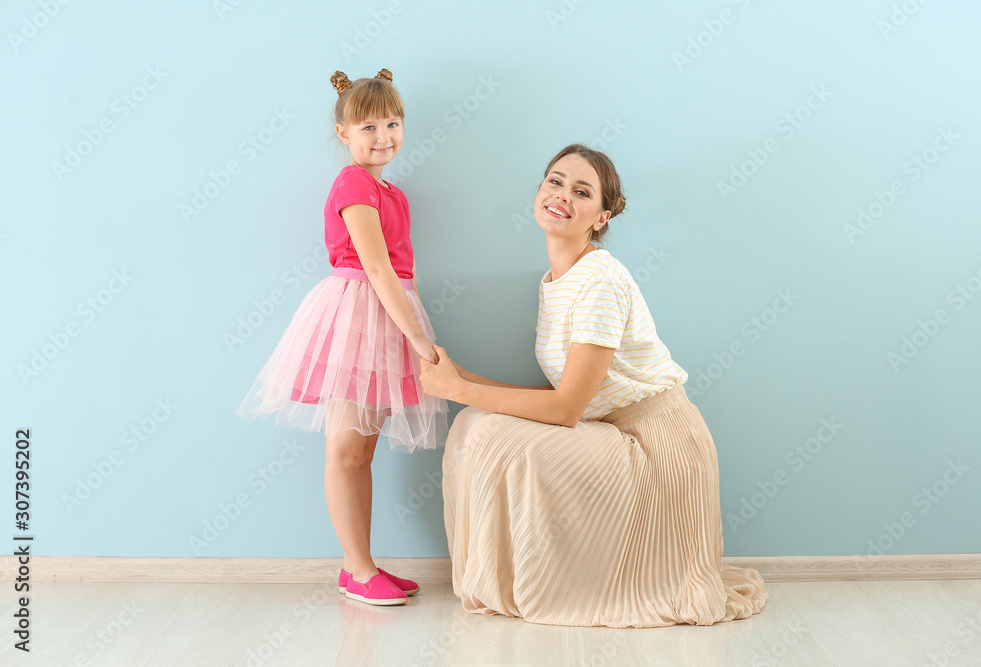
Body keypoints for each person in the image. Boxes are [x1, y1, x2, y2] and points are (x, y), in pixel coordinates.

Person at [419, 144, 768, 627]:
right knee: (473, 423)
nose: (562, 195)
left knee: (487, 431)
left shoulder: (599, 280)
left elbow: (565, 409)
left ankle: (522, 586)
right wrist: (458, 378)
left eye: (581, 192)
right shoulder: (557, 280)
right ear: (540, 190)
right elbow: (566, 399)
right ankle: (498, 581)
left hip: (659, 447)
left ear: (600, 218)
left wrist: (459, 389)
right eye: (555, 181)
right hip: (610, 430)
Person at [238, 68, 447, 606]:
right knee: (346, 452)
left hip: (388, 318)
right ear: (344, 134)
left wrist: (417, 332)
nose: (383, 137)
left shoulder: (391, 191)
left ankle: (364, 564)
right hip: (358, 314)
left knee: (362, 454)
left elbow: (405, 271)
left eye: (393, 124)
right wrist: (420, 342)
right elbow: (376, 269)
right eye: (369, 127)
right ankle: (354, 568)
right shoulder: (354, 183)